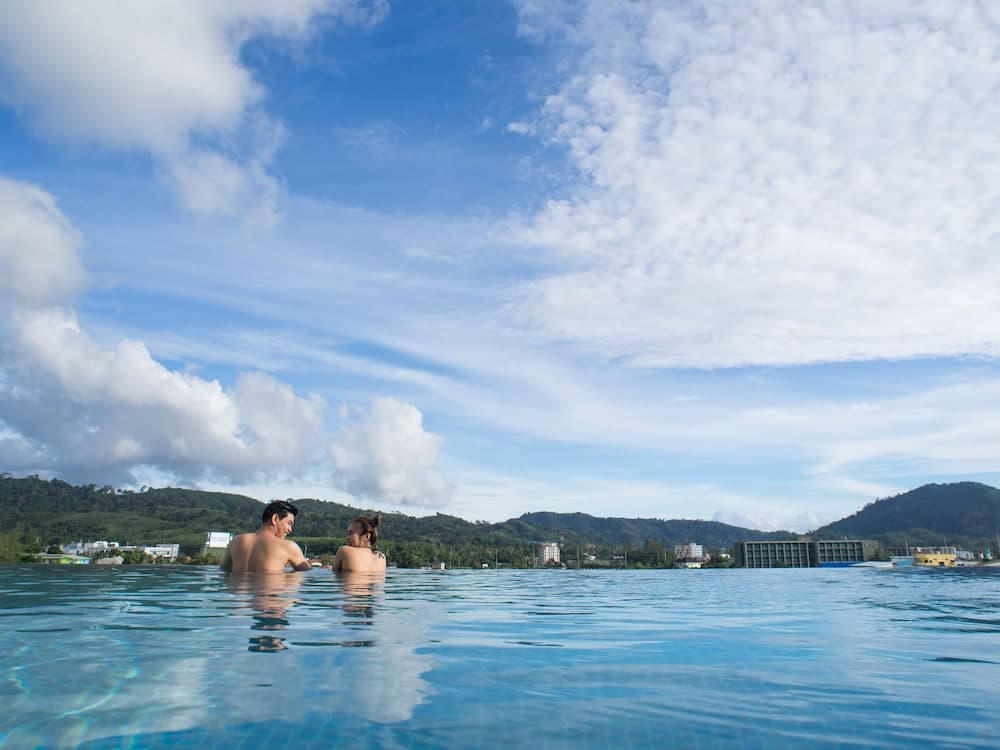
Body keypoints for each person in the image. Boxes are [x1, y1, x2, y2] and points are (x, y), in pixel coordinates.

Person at [221, 500, 311, 573]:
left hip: (237, 590)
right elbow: (306, 574)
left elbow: (224, 572)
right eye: (289, 523)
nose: (290, 529)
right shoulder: (288, 546)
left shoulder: (235, 542)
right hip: (268, 590)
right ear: (275, 519)